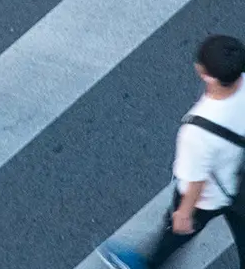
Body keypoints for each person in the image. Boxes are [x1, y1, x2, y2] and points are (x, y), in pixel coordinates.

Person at [95, 35, 245, 269]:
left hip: (209, 198)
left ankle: (146, 265)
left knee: (173, 237)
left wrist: (184, 212)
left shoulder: (197, 130)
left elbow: (196, 181)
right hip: (240, 181)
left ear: (204, 73)